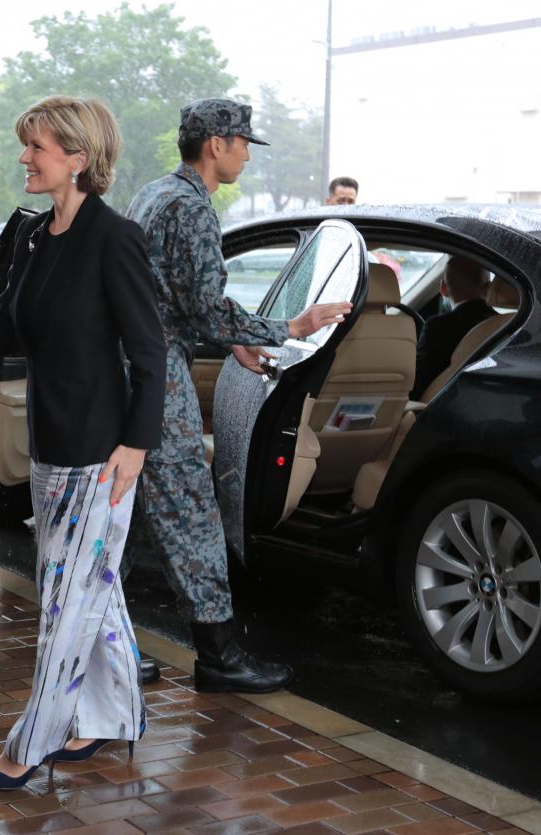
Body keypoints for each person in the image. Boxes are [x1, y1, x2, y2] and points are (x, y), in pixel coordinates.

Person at [0, 95, 168, 789]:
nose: (25, 157)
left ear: (79, 159)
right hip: (51, 446)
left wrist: (136, 447)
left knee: (63, 598)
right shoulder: (35, 237)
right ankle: (113, 715)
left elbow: (150, 353)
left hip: (103, 455)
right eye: (26, 144)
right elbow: (5, 327)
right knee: (92, 587)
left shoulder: (114, 239)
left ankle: (33, 741)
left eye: (38, 146)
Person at [125, 98, 353, 695]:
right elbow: (202, 305)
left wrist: (231, 345)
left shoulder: (153, 195)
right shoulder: (192, 210)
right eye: (244, 142)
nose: (248, 153)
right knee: (190, 512)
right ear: (217, 144)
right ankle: (219, 657)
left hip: (128, 368)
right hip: (157, 376)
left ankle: (110, 645)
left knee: (122, 514)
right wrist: (291, 328)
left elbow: (167, 295)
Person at [411, 256, 494, 399]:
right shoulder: (508, 324)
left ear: (443, 288)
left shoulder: (438, 327)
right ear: (488, 288)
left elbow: (418, 384)